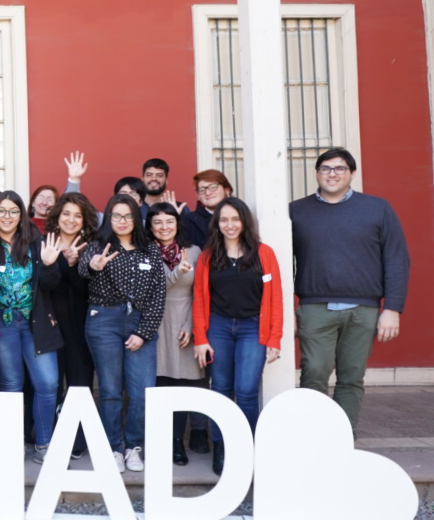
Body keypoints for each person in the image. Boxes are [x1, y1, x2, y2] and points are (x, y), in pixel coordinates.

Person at [289, 147, 409, 436]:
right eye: (325, 168)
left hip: (363, 309)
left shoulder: (378, 208)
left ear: (352, 173)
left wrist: (392, 308)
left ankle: (343, 439)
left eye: (340, 168)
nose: (332, 174)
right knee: (314, 374)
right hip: (314, 308)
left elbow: (396, 258)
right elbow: (278, 261)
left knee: (352, 378)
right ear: (317, 173)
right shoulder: (296, 211)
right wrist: (284, 309)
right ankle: (313, 438)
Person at [193, 197, 283, 475]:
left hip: (252, 328)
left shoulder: (264, 253)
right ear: (217, 224)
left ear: (244, 221)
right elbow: (198, 298)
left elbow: (275, 298)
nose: (229, 225)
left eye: (235, 219)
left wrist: (275, 338)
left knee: (246, 391)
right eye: (224, 220)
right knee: (220, 389)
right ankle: (221, 447)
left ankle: (245, 448)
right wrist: (200, 338)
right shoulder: (208, 257)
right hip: (218, 327)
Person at [78, 194, 165, 472]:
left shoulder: (150, 250)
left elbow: (158, 294)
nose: (123, 221)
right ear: (109, 218)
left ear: (136, 219)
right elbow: (84, 268)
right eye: (116, 215)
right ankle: (113, 447)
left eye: (128, 216)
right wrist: (94, 265)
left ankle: (134, 446)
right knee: (111, 390)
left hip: (140, 322)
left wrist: (144, 332)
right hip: (103, 321)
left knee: (142, 392)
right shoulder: (97, 246)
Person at [0, 191, 64, 464]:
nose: (7, 216)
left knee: (48, 382)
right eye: (1, 211)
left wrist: (50, 265)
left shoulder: (36, 241)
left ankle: (44, 443)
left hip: (35, 321)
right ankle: (13, 443)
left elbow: (51, 285)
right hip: (1, 322)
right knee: (11, 384)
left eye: (13, 211)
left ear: (22, 215)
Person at [147, 201, 206, 466]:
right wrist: (176, 273)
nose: (164, 227)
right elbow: (151, 289)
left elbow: (201, 292)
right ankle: (160, 440)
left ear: (177, 223)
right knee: (159, 383)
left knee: (181, 384)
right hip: (153, 321)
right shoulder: (144, 252)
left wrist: (191, 325)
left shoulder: (193, 251)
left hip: (185, 320)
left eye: (169, 221)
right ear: (150, 226)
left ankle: (177, 442)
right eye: (158, 222)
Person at [45, 192, 97, 458]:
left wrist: (77, 265)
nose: (71, 219)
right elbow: (44, 285)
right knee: (50, 386)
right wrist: (54, 263)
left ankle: (76, 441)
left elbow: (87, 289)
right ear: (57, 216)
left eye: (78, 215)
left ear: (84, 220)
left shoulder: (92, 247)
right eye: (66, 213)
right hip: (49, 326)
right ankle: (50, 439)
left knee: (79, 384)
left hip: (81, 327)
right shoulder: (44, 243)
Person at [182, 169, 233, 249]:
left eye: (213, 187)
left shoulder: (240, 216)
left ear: (227, 190)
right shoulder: (189, 221)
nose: (208, 193)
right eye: (202, 190)